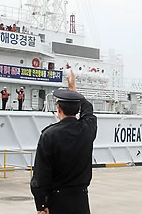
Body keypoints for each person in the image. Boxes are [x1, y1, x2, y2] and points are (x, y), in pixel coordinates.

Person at [30, 69, 97, 214]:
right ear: (78, 108)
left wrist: (41, 204)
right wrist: (74, 90)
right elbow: (89, 110)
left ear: (58, 108)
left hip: (57, 201)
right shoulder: (87, 130)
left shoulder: (49, 135)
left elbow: (41, 173)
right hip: (81, 200)